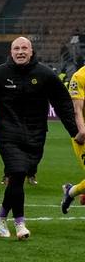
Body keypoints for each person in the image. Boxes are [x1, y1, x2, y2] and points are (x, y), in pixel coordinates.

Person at [0, 37, 79, 240]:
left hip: (36, 135)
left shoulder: (45, 74)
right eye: (16, 48)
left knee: (19, 177)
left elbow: (63, 104)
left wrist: (75, 132)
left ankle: (2, 215)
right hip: (8, 134)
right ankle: (20, 223)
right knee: (17, 171)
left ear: (31, 52)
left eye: (24, 48)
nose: (20, 52)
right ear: (11, 52)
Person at [61, 62, 85, 212]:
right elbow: (77, 109)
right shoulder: (79, 76)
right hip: (82, 133)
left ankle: (70, 191)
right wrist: (82, 131)